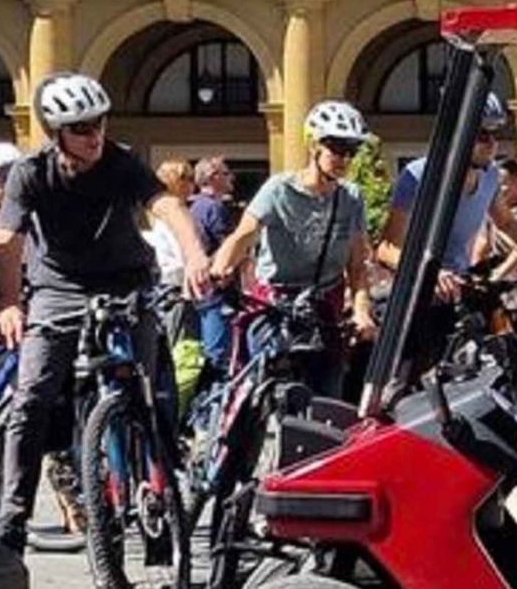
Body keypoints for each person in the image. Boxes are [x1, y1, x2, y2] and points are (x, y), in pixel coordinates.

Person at [0, 73, 211, 554]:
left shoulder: (121, 163)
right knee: (31, 396)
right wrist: (10, 303)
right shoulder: (31, 173)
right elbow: (8, 243)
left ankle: (161, 483)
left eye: (99, 124)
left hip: (126, 283)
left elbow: (166, 206)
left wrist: (194, 255)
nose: (95, 136)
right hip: (57, 290)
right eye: (82, 129)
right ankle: (12, 517)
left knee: (154, 388)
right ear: (56, 133)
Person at [210, 100, 378, 399]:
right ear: (314, 146)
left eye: (351, 151)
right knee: (260, 386)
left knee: (330, 395)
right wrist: (219, 269)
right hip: (276, 304)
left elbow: (356, 267)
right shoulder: (279, 189)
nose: (344, 159)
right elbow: (243, 235)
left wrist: (362, 313)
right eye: (337, 149)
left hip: (324, 306)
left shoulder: (351, 198)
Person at [377, 92, 513, 303]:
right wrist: (430, 273)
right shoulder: (418, 175)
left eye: (496, 134)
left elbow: (506, 223)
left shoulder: (491, 175)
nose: (492, 144)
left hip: (458, 288)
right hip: (417, 295)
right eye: (483, 136)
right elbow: (387, 249)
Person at [188, 155, 236, 370]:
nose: (231, 177)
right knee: (220, 357)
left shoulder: (193, 207)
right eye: (226, 173)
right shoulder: (215, 208)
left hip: (199, 289)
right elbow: (228, 247)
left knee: (206, 350)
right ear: (213, 177)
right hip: (217, 289)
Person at [145, 159, 194, 288]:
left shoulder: (180, 212)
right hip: (175, 283)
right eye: (187, 178)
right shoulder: (170, 216)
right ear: (174, 181)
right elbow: (183, 256)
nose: (192, 183)